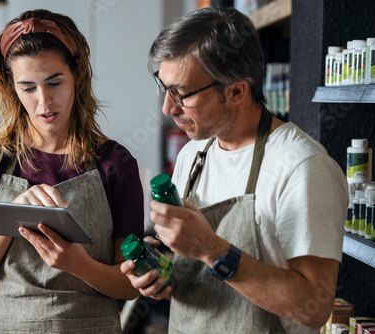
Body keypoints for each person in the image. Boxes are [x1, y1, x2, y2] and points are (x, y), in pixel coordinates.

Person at [121, 6, 348, 334]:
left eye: (181, 93)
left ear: (236, 91)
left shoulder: (301, 167)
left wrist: (210, 247)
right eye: (164, 87)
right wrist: (158, 272)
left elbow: (313, 307)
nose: (167, 108)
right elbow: (193, 271)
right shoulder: (193, 155)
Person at [0, 9, 144, 333]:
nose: (45, 102)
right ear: (11, 86)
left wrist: (79, 266)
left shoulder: (115, 163)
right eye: (28, 87)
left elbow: (131, 283)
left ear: (77, 74)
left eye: (54, 82)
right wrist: (12, 215)